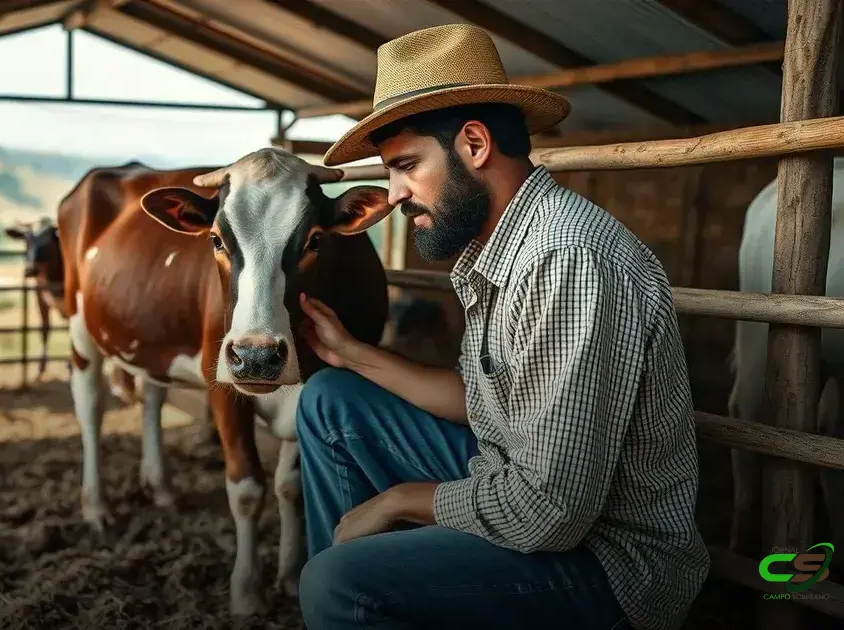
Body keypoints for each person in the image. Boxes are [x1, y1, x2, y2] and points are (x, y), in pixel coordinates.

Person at [294, 23, 710, 630]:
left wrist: (399, 501)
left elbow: (550, 511)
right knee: (331, 399)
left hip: (608, 562)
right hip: (514, 478)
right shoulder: (495, 245)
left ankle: (352, 588)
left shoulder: (564, 259)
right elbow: (486, 404)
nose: (394, 195)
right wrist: (350, 353)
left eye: (406, 166)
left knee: (337, 586)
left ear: (474, 145)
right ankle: (363, 568)